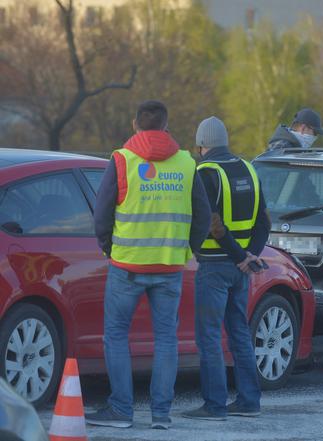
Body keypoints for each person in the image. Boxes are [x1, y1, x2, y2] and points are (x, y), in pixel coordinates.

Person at [87, 100, 211, 430]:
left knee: (115, 336)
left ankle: (121, 411)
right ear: (166, 126)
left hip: (126, 266)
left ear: (135, 124)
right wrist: (188, 250)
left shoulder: (121, 160)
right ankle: (161, 415)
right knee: (166, 340)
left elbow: (101, 216)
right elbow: (202, 215)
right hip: (169, 267)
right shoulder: (186, 163)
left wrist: (108, 249)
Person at [182, 116, 270, 420]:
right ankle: (249, 401)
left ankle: (215, 405)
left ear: (200, 145)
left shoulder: (205, 173)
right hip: (241, 268)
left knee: (208, 336)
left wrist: (237, 255)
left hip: (216, 267)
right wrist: (250, 256)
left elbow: (213, 224)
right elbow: (263, 221)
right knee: (239, 333)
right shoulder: (248, 168)